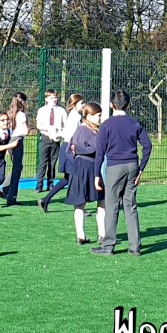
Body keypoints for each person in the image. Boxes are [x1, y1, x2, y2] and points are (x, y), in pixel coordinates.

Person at [90, 90, 152, 257]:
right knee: (130, 206)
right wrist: (141, 169)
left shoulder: (107, 124)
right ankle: (135, 247)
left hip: (115, 167)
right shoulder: (134, 123)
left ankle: (108, 245)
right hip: (132, 165)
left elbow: (100, 152)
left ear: (112, 105)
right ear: (128, 105)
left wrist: (97, 175)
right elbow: (148, 146)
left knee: (111, 206)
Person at [64, 102, 106, 244]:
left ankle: (102, 234)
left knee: (102, 201)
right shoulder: (82, 130)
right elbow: (70, 150)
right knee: (80, 203)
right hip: (84, 168)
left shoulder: (97, 130)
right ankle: (81, 235)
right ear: (88, 116)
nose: (100, 118)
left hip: (95, 167)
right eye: (98, 115)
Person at [40, 93, 84, 212]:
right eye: (81, 103)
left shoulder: (74, 116)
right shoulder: (75, 117)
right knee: (74, 177)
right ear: (74, 105)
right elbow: (71, 135)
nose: (83, 105)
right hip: (70, 148)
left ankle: (46, 199)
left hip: (68, 147)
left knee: (68, 178)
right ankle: (80, 206)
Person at [35, 90, 67, 193]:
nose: (54, 100)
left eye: (55, 97)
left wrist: (60, 134)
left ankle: (51, 183)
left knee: (53, 162)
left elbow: (65, 125)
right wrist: (48, 131)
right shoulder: (42, 110)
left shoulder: (61, 111)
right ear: (46, 99)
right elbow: (38, 125)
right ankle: (39, 184)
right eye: (51, 97)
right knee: (43, 162)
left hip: (56, 140)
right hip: (45, 138)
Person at [3, 92, 30, 206]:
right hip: (18, 140)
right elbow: (25, 130)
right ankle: (11, 196)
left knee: (16, 167)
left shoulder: (9, 113)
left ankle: (5, 190)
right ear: (23, 102)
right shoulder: (21, 114)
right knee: (17, 169)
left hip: (11, 140)